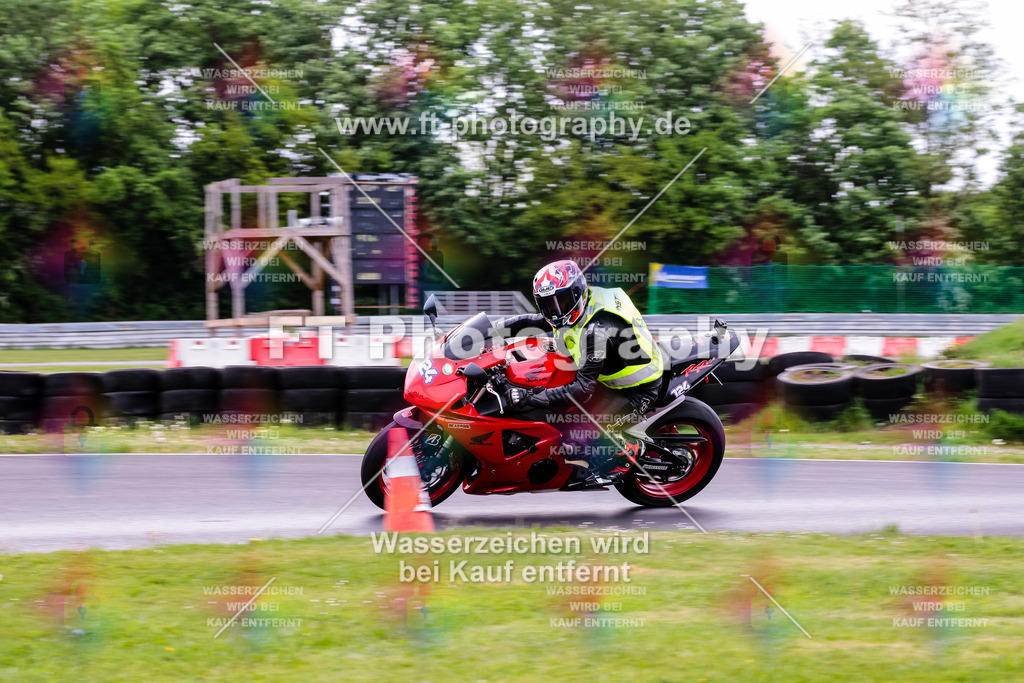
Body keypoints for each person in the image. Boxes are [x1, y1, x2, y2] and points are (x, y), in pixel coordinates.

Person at [494, 259, 663, 484]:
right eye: (548, 304)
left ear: (577, 294)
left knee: (576, 438)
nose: (555, 311)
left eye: (561, 301)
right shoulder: (583, 303)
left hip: (636, 390)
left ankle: (630, 449)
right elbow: (535, 321)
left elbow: (582, 389)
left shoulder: (598, 331)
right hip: (608, 374)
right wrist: (489, 329)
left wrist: (530, 397)